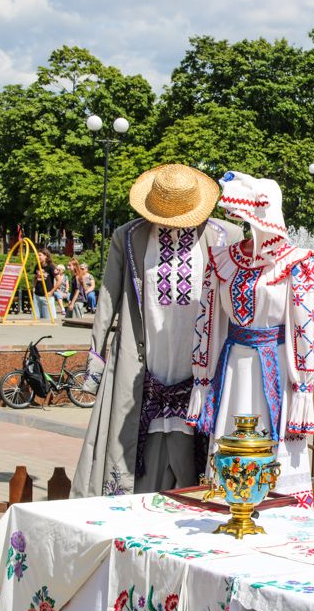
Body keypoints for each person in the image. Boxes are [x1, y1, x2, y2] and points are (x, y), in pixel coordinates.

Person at [72, 164, 243, 497]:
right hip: (141, 366)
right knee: (135, 463)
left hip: (202, 371)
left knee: (199, 464)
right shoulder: (129, 237)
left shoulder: (227, 237)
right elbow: (107, 300)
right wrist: (95, 364)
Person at [189, 171, 314, 507]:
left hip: (276, 365)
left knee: (275, 445)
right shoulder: (224, 259)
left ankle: (280, 503)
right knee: (229, 436)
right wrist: (202, 377)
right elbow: (208, 320)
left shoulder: (297, 263)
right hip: (233, 365)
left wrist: (303, 386)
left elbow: (307, 329)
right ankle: (229, 500)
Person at [32, 249, 56, 320]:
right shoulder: (37, 265)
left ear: (46, 256)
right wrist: (34, 287)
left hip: (47, 296)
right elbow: (35, 277)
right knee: (36, 318)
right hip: (37, 295)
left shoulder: (50, 266)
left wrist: (51, 292)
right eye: (37, 255)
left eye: (40, 255)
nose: (38, 257)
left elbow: (59, 280)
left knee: (49, 319)